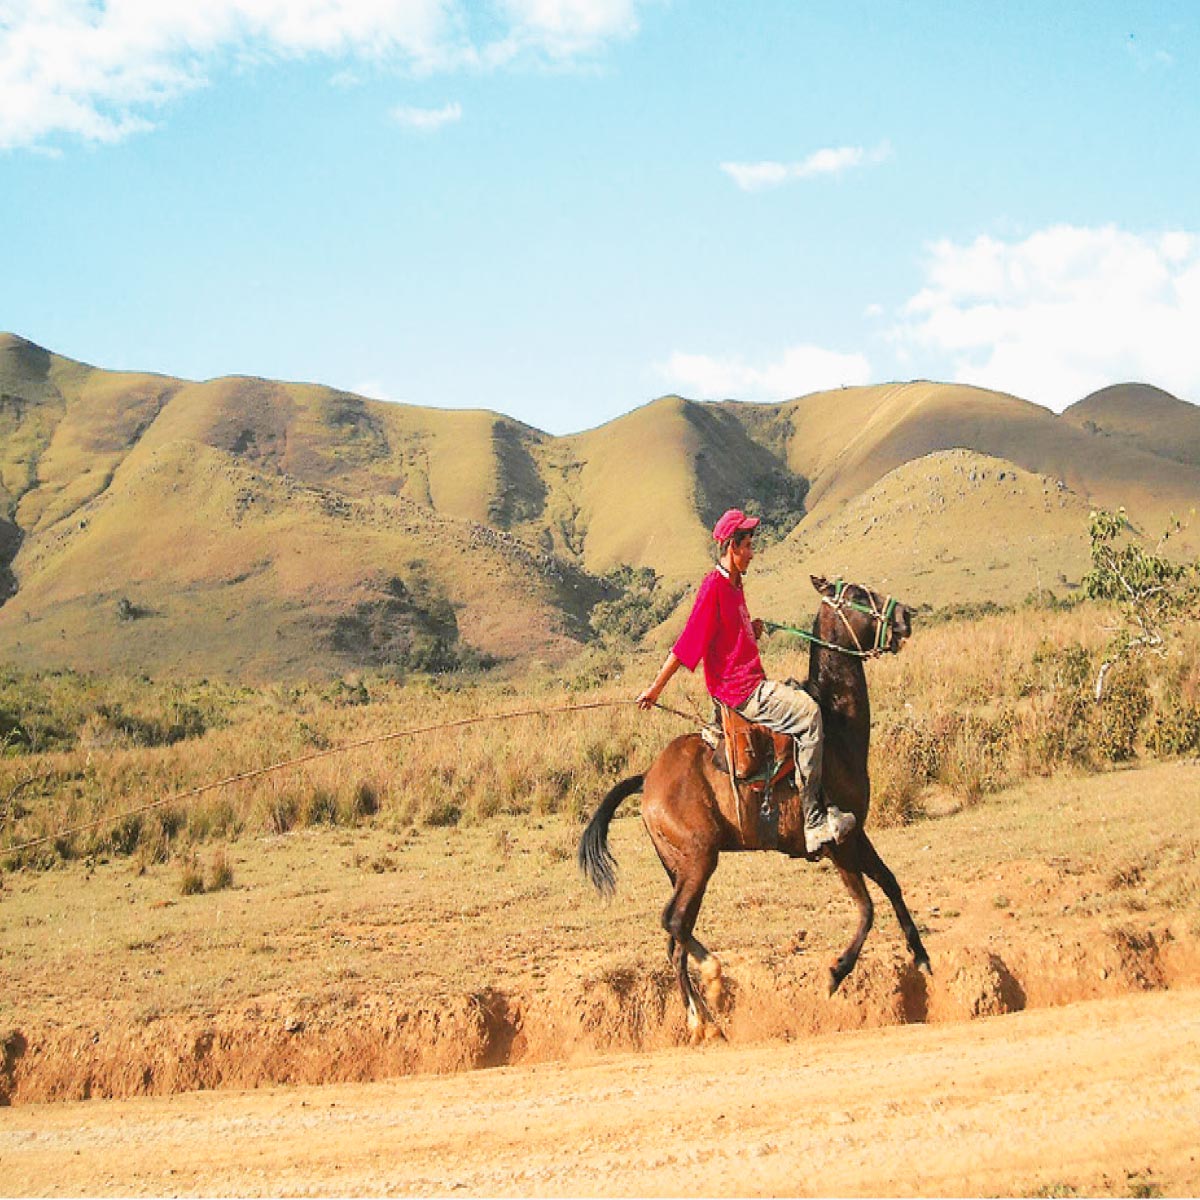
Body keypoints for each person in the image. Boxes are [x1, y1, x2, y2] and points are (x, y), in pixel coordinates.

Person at [636, 507, 856, 854]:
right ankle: (813, 821)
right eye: (748, 546)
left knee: (800, 694)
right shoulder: (714, 588)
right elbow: (686, 645)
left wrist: (749, 631)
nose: (752, 553)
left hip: (748, 681)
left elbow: (728, 639)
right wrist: (655, 688)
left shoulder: (735, 586)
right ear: (732, 547)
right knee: (811, 716)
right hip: (742, 691)